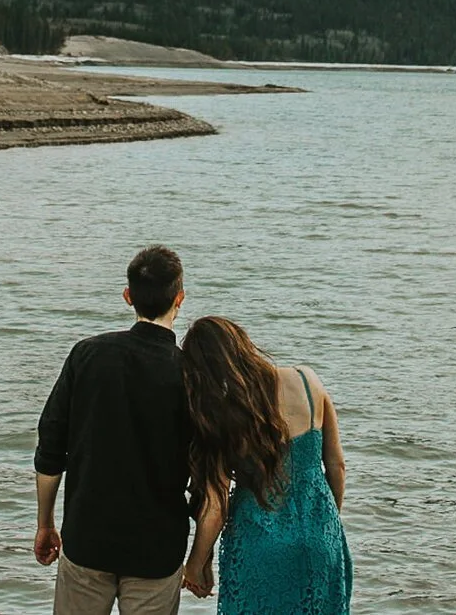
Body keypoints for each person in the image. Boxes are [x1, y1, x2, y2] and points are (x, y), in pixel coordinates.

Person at [34, 246, 193, 615]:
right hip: (157, 548)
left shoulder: (87, 355)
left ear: (127, 296)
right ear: (179, 299)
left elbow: (50, 449)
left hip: (88, 539)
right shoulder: (190, 373)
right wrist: (201, 553)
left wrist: (46, 523)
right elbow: (205, 469)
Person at [178, 315, 351, 612]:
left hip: (259, 544)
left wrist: (194, 567)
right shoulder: (308, 381)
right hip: (323, 538)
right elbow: (336, 467)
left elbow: (216, 508)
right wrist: (325, 523)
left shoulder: (223, 414)